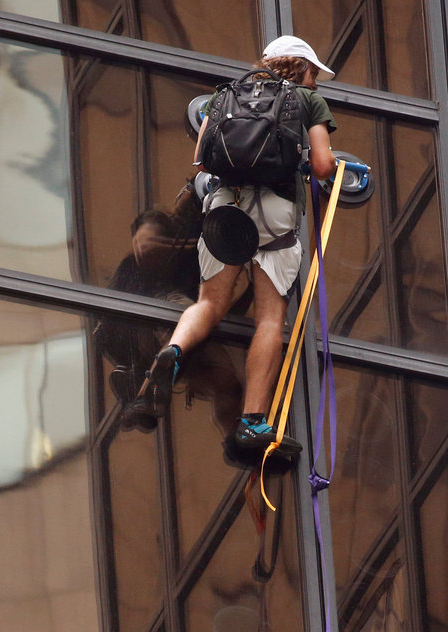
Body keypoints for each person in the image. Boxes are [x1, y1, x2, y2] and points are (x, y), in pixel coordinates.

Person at [130, 35, 337, 454]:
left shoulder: (225, 95)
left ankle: (172, 352)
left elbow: (202, 160)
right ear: (302, 68)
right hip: (276, 213)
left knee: (208, 303)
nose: (316, 83)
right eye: (314, 74)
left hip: (226, 208)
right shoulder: (307, 101)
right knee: (268, 317)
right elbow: (322, 164)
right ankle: (252, 422)